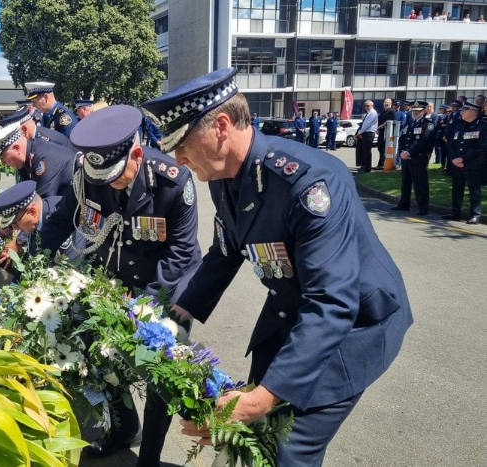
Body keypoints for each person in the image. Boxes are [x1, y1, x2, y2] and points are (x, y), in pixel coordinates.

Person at [140, 67, 413, 467]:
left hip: (352, 327)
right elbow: (225, 250)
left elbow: (332, 302)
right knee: (250, 438)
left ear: (220, 126)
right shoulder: (223, 175)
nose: (176, 159)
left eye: (182, 144)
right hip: (292, 309)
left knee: (286, 449)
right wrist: (176, 314)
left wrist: (260, 400)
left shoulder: (308, 182)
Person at [40, 105, 202, 467]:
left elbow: (180, 253)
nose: (108, 182)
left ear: (138, 153)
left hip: (166, 290)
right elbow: (61, 221)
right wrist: (38, 267)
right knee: (104, 358)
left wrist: (143, 305)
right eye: (101, 177)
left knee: (161, 375)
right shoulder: (90, 176)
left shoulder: (174, 182)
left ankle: (149, 458)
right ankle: (125, 429)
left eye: (116, 175)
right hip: (113, 287)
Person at [0, 181, 82, 266]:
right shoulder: (39, 215)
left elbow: (70, 268)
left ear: (32, 212)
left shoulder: (62, 220)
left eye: (16, 222)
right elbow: (32, 257)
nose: (15, 228)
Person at [0, 119, 75, 200]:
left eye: (3, 157)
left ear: (17, 148)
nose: (3, 163)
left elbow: (43, 205)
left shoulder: (43, 158)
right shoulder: (30, 155)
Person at [441, 101, 486, 224]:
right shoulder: (460, 125)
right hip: (457, 163)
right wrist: (454, 158)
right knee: (457, 188)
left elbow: (480, 147)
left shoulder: (482, 126)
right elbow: (452, 144)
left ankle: (476, 215)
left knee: (474, 190)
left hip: (473, 164)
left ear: (473, 111)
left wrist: (463, 159)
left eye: (464, 110)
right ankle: (455, 212)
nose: (461, 112)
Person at [391, 101, 437, 215]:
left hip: (418, 158)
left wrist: (409, 152)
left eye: (418, 111)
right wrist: (402, 152)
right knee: (405, 182)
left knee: (420, 184)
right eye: (414, 111)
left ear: (424, 111)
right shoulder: (410, 123)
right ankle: (404, 204)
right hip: (406, 157)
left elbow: (423, 142)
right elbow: (403, 139)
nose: (415, 113)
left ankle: (423, 208)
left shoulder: (428, 124)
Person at [0, 107, 76, 151]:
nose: (15, 140)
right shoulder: (36, 138)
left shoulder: (46, 142)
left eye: (16, 135)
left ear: (24, 130)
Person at [356, 100, 378, 172]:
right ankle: (365, 165)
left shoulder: (373, 113)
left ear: (372, 105)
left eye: (368, 106)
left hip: (369, 133)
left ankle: (367, 168)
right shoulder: (368, 113)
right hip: (366, 133)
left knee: (367, 151)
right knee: (364, 151)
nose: (366, 107)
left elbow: (367, 124)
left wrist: (359, 132)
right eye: (365, 106)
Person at [375, 98, 395, 169]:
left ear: (390, 104)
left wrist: (380, 126)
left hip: (386, 133)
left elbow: (389, 121)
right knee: (380, 148)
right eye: (385, 103)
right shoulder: (383, 112)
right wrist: (377, 128)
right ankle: (380, 163)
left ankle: (382, 164)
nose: (386, 104)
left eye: (387, 103)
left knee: (384, 148)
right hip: (381, 132)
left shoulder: (391, 111)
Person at [435, 104, 450, 168]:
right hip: (441, 136)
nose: (447, 113)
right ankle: (443, 164)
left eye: (449, 112)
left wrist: (445, 125)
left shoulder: (450, 119)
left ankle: (447, 165)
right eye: (447, 112)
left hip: (447, 137)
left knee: (448, 152)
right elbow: (438, 126)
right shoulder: (443, 118)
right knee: (443, 151)